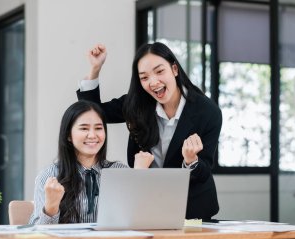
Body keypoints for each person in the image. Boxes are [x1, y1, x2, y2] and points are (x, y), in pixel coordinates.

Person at [77, 42, 222, 220]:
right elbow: (92, 113)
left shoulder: (207, 112)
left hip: (191, 208)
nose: (153, 82)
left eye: (160, 71)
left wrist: (191, 161)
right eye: (144, 77)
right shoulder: (137, 104)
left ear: (174, 69)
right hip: (147, 203)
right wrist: (95, 69)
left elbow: (205, 170)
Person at [29, 100, 153, 224]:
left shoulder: (120, 172)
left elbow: (142, 221)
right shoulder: (49, 177)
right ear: (68, 135)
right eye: (84, 128)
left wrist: (138, 176)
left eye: (99, 128)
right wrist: (51, 207)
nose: (93, 135)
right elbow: (38, 237)